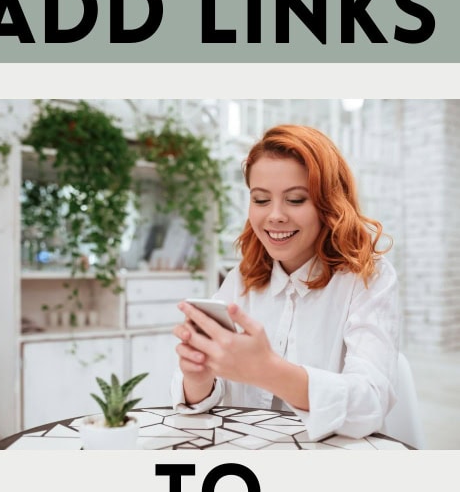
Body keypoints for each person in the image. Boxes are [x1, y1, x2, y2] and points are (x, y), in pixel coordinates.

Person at [171, 125, 399, 441]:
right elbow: (205, 396)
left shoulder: (367, 277)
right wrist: (197, 378)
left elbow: (370, 402)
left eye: (295, 199)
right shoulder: (243, 278)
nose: (275, 216)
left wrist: (268, 372)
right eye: (261, 200)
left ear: (329, 205)